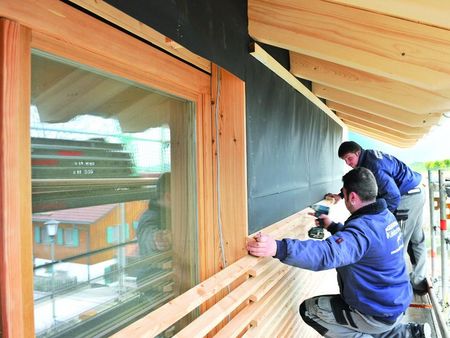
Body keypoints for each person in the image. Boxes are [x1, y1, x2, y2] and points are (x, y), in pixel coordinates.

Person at [247, 168, 430, 338]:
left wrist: (278, 248)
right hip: (395, 304)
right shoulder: (384, 217)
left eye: (343, 193)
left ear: (351, 197)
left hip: (376, 313)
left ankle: (390, 333)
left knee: (310, 310)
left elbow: (326, 254)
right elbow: (364, 245)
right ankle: (400, 333)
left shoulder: (362, 230)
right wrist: (333, 226)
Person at [326, 141, 427, 294]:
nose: (348, 163)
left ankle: (398, 289)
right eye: (345, 160)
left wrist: (383, 220)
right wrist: (341, 195)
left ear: (357, 153)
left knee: (396, 242)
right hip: (417, 192)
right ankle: (418, 280)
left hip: (406, 196)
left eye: (349, 158)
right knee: (416, 238)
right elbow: (358, 182)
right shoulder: (368, 157)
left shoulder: (374, 166)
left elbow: (393, 197)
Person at [136, 172, 172, 256]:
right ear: (168, 197)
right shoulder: (149, 217)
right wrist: (156, 239)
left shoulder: (171, 214)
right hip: (155, 268)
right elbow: (146, 235)